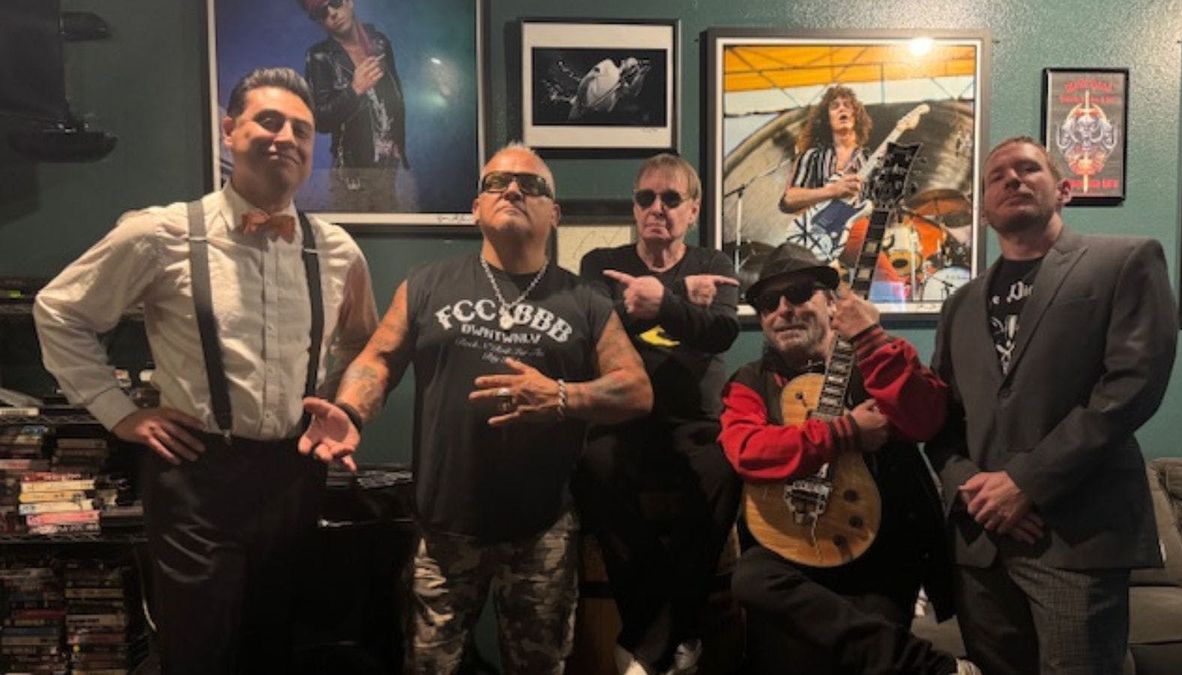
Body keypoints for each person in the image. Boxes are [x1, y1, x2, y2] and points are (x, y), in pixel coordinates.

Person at [33, 67, 379, 674]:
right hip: (196, 474)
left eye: (302, 129)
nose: (286, 137)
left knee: (276, 647)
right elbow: (59, 312)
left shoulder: (337, 249)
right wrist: (119, 413)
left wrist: (336, 403)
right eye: (268, 121)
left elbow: (361, 343)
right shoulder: (160, 233)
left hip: (293, 474)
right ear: (229, 131)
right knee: (198, 651)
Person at [298, 143, 653, 674]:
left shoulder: (586, 301)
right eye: (497, 182)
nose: (513, 190)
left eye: (531, 185)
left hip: (541, 532)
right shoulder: (426, 285)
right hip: (444, 529)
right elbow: (378, 360)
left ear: (554, 213)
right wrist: (349, 412)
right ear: (476, 207)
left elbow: (636, 389)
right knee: (430, 668)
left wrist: (561, 396)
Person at [926, 136, 1178, 675]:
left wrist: (1025, 483)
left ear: (1063, 189)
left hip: (1076, 539)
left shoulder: (1125, 261)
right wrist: (973, 489)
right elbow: (941, 419)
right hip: (982, 544)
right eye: (997, 176)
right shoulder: (959, 303)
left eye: (1028, 169)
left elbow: (1131, 387)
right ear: (983, 210)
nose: (1013, 180)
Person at [719, 243, 978, 675]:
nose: (783, 309)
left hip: (877, 551)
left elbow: (928, 419)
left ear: (832, 302)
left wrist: (871, 340)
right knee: (751, 579)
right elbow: (746, 450)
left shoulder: (878, 357)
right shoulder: (748, 383)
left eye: (799, 293)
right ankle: (931, 669)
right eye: (768, 302)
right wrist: (845, 432)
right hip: (790, 551)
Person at [573, 154, 741, 675]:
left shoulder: (714, 263)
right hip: (623, 420)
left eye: (671, 198)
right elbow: (591, 329)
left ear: (693, 209)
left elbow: (721, 333)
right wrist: (679, 299)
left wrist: (659, 303)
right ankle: (670, 631)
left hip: (694, 424)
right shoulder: (601, 262)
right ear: (634, 207)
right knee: (593, 464)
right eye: (646, 198)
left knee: (724, 467)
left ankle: (648, 643)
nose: (657, 208)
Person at [301, 0, 411, 211]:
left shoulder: (380, 43)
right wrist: (354, 90)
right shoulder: (319, 57)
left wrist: (398, 143)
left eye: (335, 2)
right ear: (319, 21)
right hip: (351, 172)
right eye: (322, 12)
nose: (332, 13)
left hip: (390, 167)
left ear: (349, 2)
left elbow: (396, 97)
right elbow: (320, 120)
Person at [778, 85, 873, 258]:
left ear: (856, 115)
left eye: (847, 105)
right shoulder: (813, 156)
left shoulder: (870, 160)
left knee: (885, 273)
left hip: (858, 231)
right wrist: (832, 191)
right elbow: (789, 200)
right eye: (835, 106)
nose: (842, 109)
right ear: (827, 119)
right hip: (818, 234)